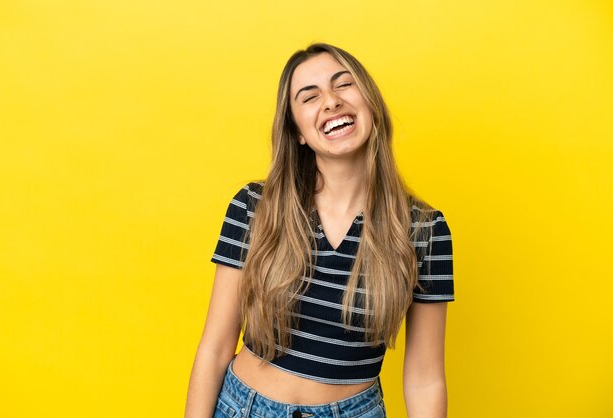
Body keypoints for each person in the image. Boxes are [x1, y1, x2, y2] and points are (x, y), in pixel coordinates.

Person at [185, 43, 455, 418]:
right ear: (297, 132)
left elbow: (425, 378)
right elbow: (215, 347)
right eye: (309, 97)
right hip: (242, 408)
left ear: (371, 104)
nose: (330, 102)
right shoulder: (255, 207)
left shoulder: (425, 231)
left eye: (343, 85)